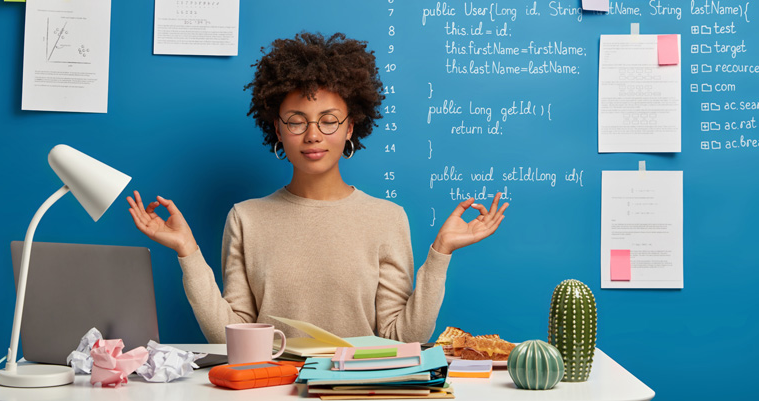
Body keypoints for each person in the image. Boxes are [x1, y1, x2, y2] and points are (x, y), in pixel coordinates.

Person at [127, 32, 508, 344]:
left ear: (350, 127)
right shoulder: (246, 218)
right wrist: (188, 253)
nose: (313, 135)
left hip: (358, 391)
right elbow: (231, 339)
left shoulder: (387, 219)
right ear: (277, 129)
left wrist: (440, 254)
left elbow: (401, 338)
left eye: (328, 121)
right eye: (296, 121)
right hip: (273, 387)